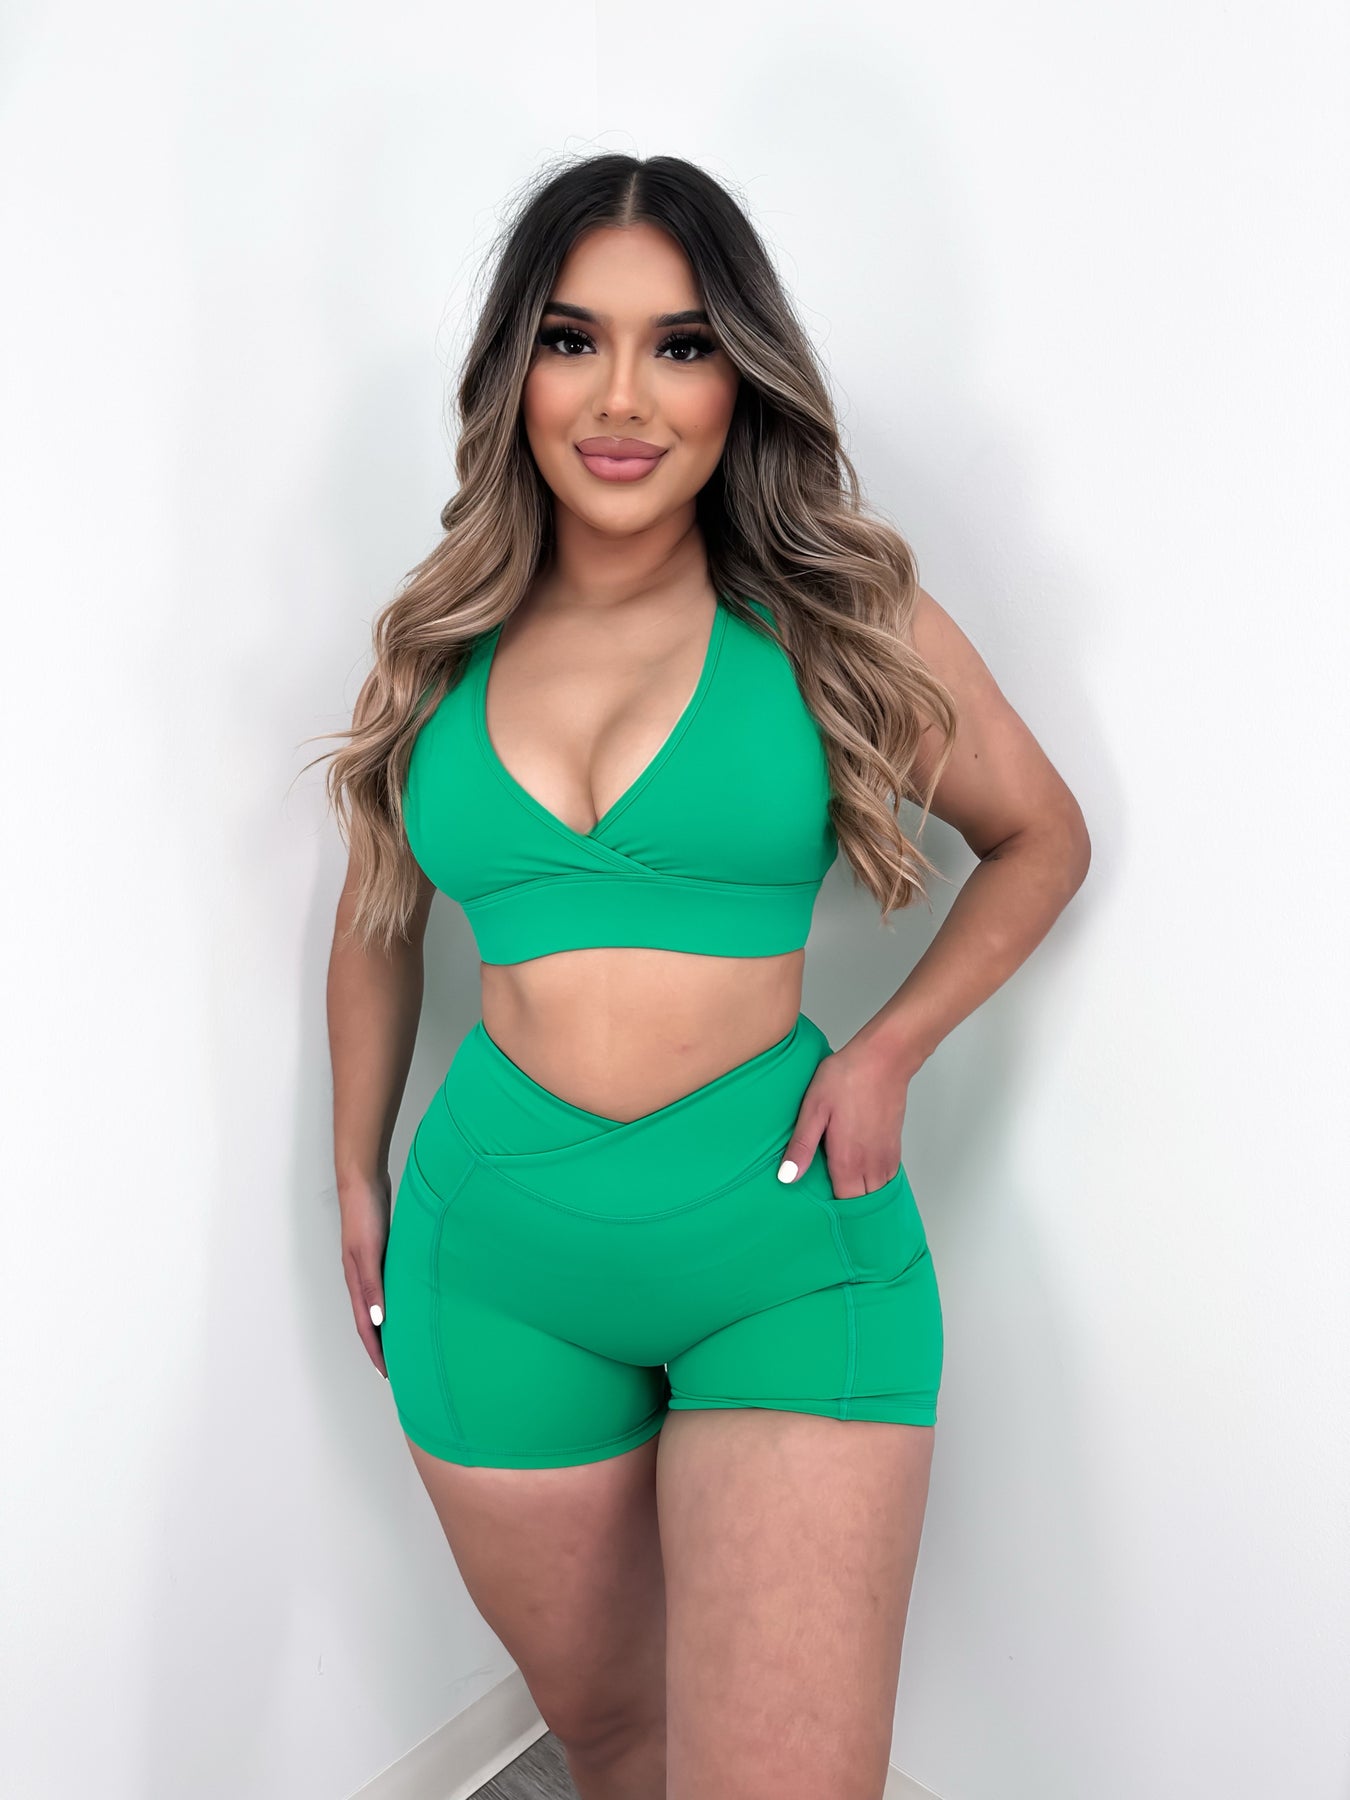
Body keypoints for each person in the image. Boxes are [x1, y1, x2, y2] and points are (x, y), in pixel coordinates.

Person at [317, 153, 1091, 1800]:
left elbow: (1039, 836)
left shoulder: (833, 619)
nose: (621, 397)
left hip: (781, 1249)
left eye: (678, 345)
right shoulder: (439, 644)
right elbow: (378, 912)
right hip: (493, 1260)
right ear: (514, 369)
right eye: (571, 339)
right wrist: (353, 1168)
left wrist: (885, 1052)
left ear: (740, 376)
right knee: (613, 1742)